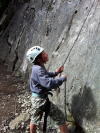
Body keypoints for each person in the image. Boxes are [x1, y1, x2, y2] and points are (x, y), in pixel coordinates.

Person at [26, 46, 69, 133]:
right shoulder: (38, 69)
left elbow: (46, 74)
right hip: (40, 101)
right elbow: (48, 83)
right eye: (43, 54)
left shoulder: (37, 67)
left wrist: (56, 73)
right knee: (60, 117)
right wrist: (62, 79)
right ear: (39, 59)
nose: (46, 54)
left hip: (37, 99)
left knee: (35, 118)